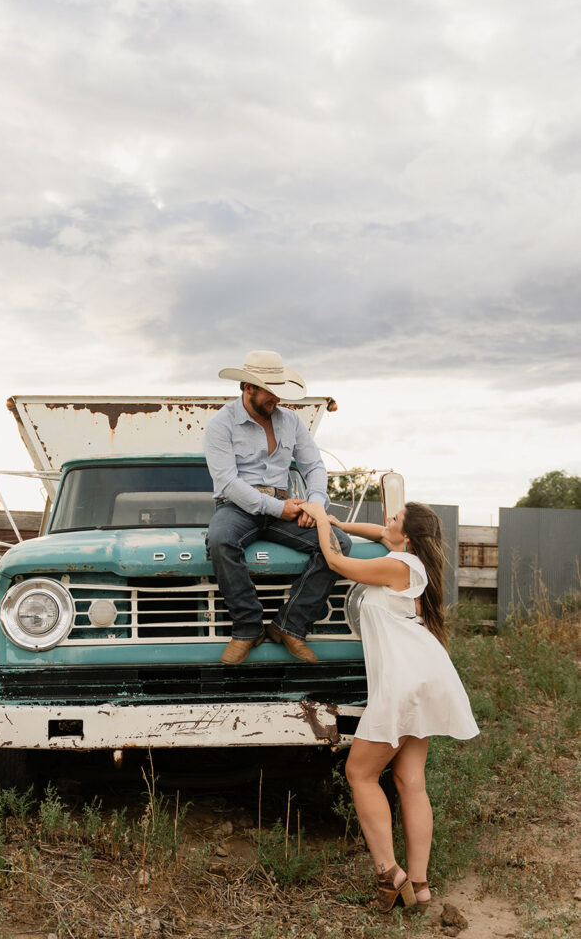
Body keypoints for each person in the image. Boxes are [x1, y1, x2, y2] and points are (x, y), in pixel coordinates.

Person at [299, 499, 479, 913]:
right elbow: (375, 533)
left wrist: (320, 518)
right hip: (424, 674)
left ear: (410, 537)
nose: (386, 522)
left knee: (360, 772)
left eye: (395, 519)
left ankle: (388, 872)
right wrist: (340, 520)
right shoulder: (409, 561)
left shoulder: (397, 567)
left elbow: (338, 561)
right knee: (410, 780)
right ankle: (419, 884)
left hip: (404, 682)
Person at [204, 349, 351, 665]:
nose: (277, 400)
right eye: (270, 392)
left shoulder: (292, 422)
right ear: (248, 388)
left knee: (338, 543)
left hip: (287, 504)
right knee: (220, 540)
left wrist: (315, 505)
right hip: (238, 507)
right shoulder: (220, 424)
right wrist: (276, 508)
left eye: (279, 392)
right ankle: (247, 629)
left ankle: (290, 625)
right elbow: (228, 482)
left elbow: (314, 467)